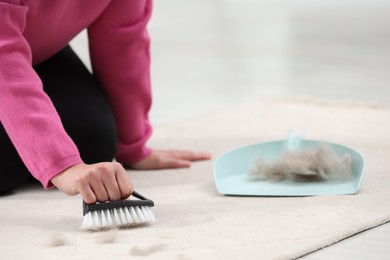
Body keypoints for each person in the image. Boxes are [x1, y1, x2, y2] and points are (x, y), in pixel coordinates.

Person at [0, 0, 211, 203]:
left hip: (33, 46)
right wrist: (60, 164)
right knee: (6, 169)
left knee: (94, 142)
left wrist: (132, 145)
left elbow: (122, 44)